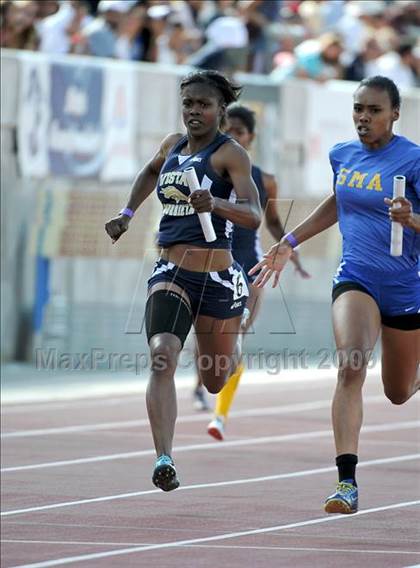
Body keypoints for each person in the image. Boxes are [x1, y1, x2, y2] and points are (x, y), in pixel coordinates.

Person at [250, 76, 419, 514]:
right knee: (351, 365)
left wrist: (412, 218)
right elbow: (339, 200)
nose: (364, 118)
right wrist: (290, 240)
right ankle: (346, 482)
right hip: (357, 277)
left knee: (398, 392)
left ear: (395, 114)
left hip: (405, 285)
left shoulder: (414, 161)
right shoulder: (342, 154)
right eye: (358, 109)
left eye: (374, 110)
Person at [105, 70, 261, 492]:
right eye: (188, 103)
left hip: (217, 276)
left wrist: (216, 203)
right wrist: (126, 214)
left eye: (203, 104)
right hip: (171, 271)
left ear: (219, 111)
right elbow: (148, 173)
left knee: (214, 378)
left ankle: (233, 344)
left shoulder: (230, 156)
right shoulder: (170, 146)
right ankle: (164, 457)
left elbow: (254, 215)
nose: (194, 111)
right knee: (162, 354)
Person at [193, 103, 310, 438]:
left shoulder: (264, 180)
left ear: (251, 137)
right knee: (208, 342)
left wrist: (291, 250)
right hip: (210, 265)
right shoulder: (204, 170)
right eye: (226, 130)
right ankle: (202, 383)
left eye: (239, 132)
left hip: (250, 267)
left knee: (237, 338)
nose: (232, 137)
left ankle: (219, 417)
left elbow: (272, 223)